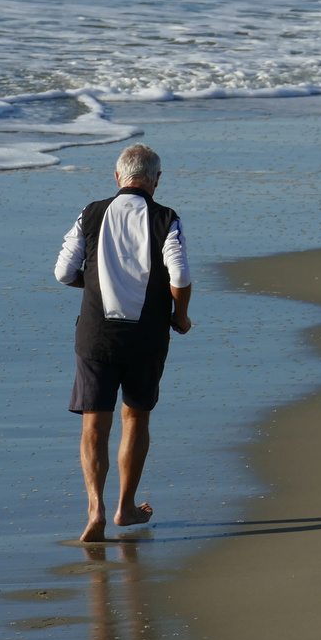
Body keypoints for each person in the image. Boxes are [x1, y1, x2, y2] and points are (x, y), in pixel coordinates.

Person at [53, 143, 192, 541]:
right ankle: (125, 508)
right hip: (146, 335)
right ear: (156, 180)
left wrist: (93, 283)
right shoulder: (166, 218)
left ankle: (95, 509)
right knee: (135, 418)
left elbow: (63, 272)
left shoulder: (92, 212)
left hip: (97, 334)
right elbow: (179, 277)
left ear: (118, 177)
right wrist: (180, 317)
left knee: (94, 424)